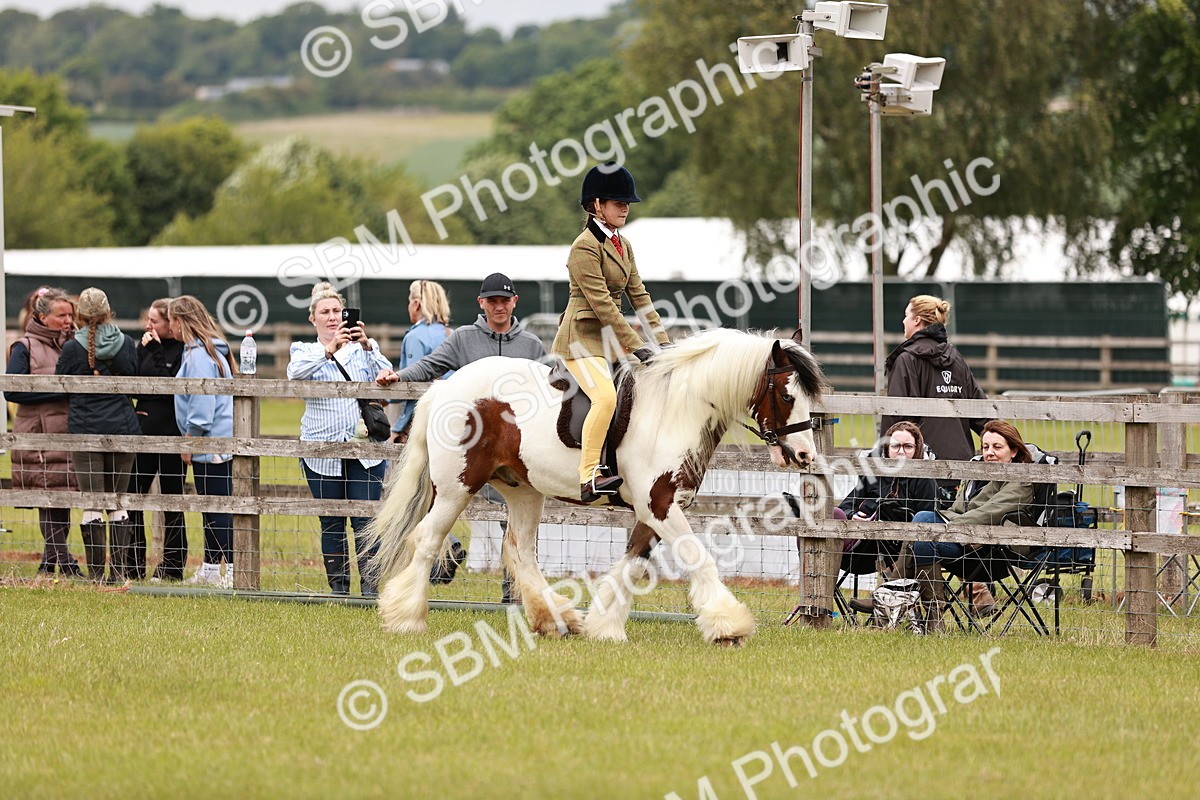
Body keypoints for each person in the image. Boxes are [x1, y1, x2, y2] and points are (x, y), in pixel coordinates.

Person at [375, 271, 548, 592]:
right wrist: (398, 377)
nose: (499, 307)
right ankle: (426, 568)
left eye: (505, 301)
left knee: (518, 521)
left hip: (516, 451)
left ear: (515, 302)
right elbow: (431, 365)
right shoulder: (464, 338)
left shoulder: (531, 345)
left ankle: (515, 591)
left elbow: (545, 392)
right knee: (441, 504)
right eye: (493, 301)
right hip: (472, 446)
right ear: (481, 303)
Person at [551, 162, 671, 502]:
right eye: (617, 202)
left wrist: (663, 343)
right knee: (605, 397)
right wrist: (637, 347)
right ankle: (588, 477)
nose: (625, 207)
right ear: (596, 205)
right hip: (581, 337)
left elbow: (640, 296)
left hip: (610, 340)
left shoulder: (624, 245)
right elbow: (603, 306)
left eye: (626, 202)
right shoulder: (583, 247)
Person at [881, 294, 995, 610]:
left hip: (922, 468)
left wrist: (887, 455)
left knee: (902, 522)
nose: (903, 322)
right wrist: (1006, 444)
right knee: (949, 523)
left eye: (906, 316)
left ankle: (904, 595)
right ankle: (976, 586)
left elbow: (898, 420)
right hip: (961, 468)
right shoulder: (956, 359)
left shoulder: (907, 359)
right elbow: (982, 414)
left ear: (917, 321)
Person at [288, 283, 393, 597]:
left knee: (365, 520)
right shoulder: (304, 350)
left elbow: (387, 375)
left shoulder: (364, 346)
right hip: (322, 449)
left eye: (337, 311)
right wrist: (329, 350)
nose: (333, 318)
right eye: (326, 312)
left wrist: (368, 348)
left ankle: (371, 589)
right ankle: (339, 588)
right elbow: (295, 373)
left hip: (365, 448)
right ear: (313, 318)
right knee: (331, 521)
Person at [909, 420, 1035, 632]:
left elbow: (987, 514)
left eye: (997, 447)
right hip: (965, 544)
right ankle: (929, 618)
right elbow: (958, 510)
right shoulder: (980, 474)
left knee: (923, 529)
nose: (989, 453)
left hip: (994, 554)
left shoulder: (1022, 481)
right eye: (985, 447)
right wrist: (943, 523)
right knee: (923, 526)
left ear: (1013, 451)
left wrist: (946, 527)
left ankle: (897, 600)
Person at [55, 287, 142, 583]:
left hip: (85, 429)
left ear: (79, 314)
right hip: (122, 427)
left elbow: (61, 384)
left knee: (92, 502)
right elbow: (134, 381)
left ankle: (95, 575)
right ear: (108, 313)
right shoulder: (126, 344)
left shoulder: (71, 348)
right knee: (118, 501)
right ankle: (117, 574)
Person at [5, 287, 82, 578]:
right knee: (47, 497)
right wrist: (60, 389)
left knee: (63, 497)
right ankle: (66, 562)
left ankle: (50, 562)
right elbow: (12, 389)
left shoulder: (74, 344)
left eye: (70, 314)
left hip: (67, 431)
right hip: (38, 432)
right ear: (41, 316)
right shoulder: (24, 347)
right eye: (60, 315)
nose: (67, 320)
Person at [169, 295, 237, 588]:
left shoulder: (198, 356)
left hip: (209, 444)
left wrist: (191, 441)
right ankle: (211, 569)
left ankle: (235, 570)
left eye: (172, 320)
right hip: (217, 442)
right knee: (212, 506)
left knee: (218, 509)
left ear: (180, 321)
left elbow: (201, 405)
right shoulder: (208, 352)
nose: (170, 326)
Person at [129, 299, 188, 582]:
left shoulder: (182, 350)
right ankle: (132, 563)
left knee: (172, 500)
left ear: (171, 323)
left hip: (172, 432)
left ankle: (172, 565)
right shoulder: (141, 346)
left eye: (155, 321)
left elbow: (171, 388)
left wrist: (153, 350)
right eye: (147, 319)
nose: (148, 326)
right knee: (133, 496)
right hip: (143, 430)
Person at [839, 421, 939, 580]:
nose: (901, 452)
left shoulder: (925, 480)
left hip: (902, 550)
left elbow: (930, 522)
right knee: (833, 514)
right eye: (895, 446)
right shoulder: (874, 475)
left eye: (907, 446)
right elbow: (845, 506)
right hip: (861, 548)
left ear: (917, 449)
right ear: (886, 448)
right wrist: (852, 516)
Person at [390, 279, 452, 444]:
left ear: (416, 304)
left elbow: (410, 385)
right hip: (449, 417)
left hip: (422, 422)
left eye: (409, 301)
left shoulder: (415, 337)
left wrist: (386, 399)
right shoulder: (451, 334)